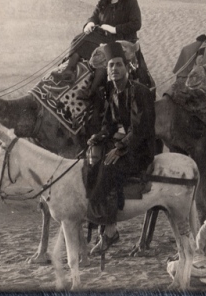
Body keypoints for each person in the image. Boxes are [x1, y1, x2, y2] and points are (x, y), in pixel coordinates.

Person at [85, 45, 156, 254]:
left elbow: (141, 128)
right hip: (123, 144)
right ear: (107, 71)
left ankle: (109, 232)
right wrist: (98, 137)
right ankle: (101, 225)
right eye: (110, 65)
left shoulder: (139, 92)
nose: (114, 68)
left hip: (140, 149)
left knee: (108, 168)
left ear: (126, 68)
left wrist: (120, 148)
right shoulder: (114, 93)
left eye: (118, 65)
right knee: (92, 166)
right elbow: (109, 124)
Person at [53, 0, 148, 94]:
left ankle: (92, 91)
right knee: (80, 38)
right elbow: (94, 16)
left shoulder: (131, 2)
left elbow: (136, 24)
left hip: (123, 39)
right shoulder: (104, 2)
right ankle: (69, 70)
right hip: (104, 36)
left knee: (104, 53)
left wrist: (115, 29)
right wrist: (90, 23)